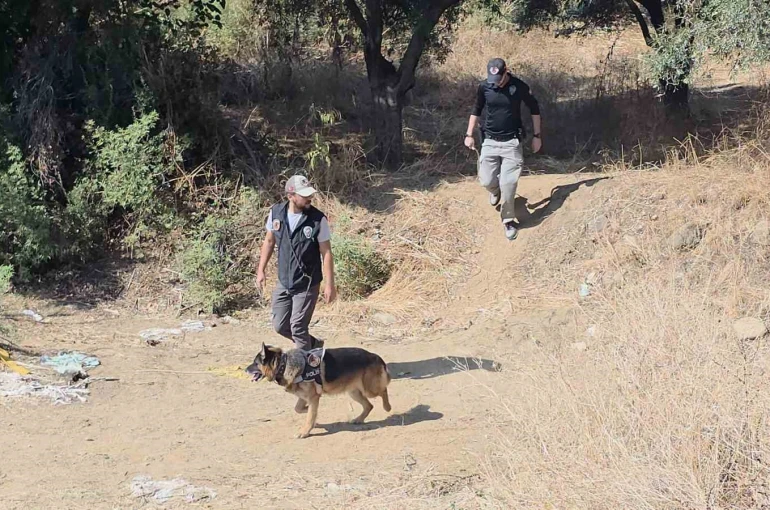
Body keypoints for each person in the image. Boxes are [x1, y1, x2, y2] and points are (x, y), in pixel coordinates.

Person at [256, 174, 337, 352]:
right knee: (280, 325)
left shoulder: (318, 219)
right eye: (304, 195)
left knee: (298, 327)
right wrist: (261, 270)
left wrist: (329, 285)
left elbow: (326, 253)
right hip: (284, 281)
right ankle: (313, 346)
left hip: (307, 282)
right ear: (290, 196)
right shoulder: (276, 213)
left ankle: (306, 365)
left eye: (310, 194)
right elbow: (269, 241)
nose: (310, 198)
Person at [464, 57, 542, 241]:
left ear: (506, 71)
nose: (496, 83)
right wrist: (469, 134)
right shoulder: (485, 86)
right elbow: (476, 109)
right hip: (489, 141)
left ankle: (508, 220)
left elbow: (534, 109)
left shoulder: (519, 86)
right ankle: (494, 191)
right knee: (486, 180)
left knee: (508, 183)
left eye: (499, 78)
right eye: (493, 80)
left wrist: (537, 136)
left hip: (512, 142)